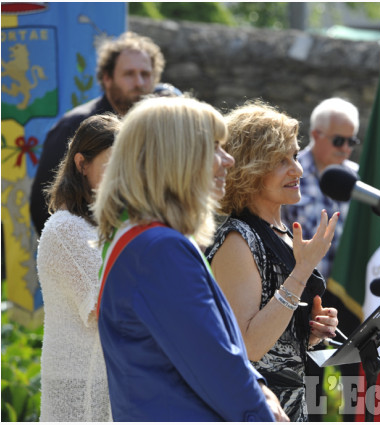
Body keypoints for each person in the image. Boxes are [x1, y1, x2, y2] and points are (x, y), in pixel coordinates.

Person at [93, 96, 283, 421]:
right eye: (215, 148)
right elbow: (216, 364)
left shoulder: (143, 239)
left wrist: (261, 388)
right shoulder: (158, 249)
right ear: (175, 156)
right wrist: (262, 412)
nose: (228, 161)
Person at [206, 101, 340, 422]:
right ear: (251, 168)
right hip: (258, 408)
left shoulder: (279, 231)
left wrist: (310, 332)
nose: (297, 169)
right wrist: (302, 271)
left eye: (294, 156)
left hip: (294, 403)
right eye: (280, 161)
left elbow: (278, 339)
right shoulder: (238, 239)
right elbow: (249, 347)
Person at [30, 31, 165, 236]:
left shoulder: (154, 128)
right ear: (107, 78)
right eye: (129, 74)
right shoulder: (74, 125)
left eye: (146, 74)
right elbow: (43, 206)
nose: (139, 82)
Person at [37, 113, 121, 421]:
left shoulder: (111, 227)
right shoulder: (66, 229)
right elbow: (107, 308)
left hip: (110, 380)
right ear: (82, 164)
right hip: (80, 385)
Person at [281, 97, 360, 421]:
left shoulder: (357, 177)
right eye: (338, 140)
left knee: (352, 374)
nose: (345, 148)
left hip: (348, 293)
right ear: (316, 134)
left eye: (351, 141)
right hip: (304, 293)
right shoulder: (291, 174)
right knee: (312, 378)